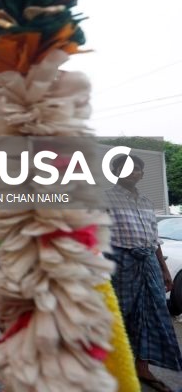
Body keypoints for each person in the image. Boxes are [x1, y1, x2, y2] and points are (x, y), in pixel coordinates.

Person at [106, 155, 182, 392]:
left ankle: (142, 368)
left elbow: (154, 238)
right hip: (120, 263)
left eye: (137, 167)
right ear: (115, 170)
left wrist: (164, 270)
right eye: (126, 167)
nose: (133, 171)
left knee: (151, 315)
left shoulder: (147, 201)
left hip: (148, 262)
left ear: (141, 173)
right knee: (119, 317)